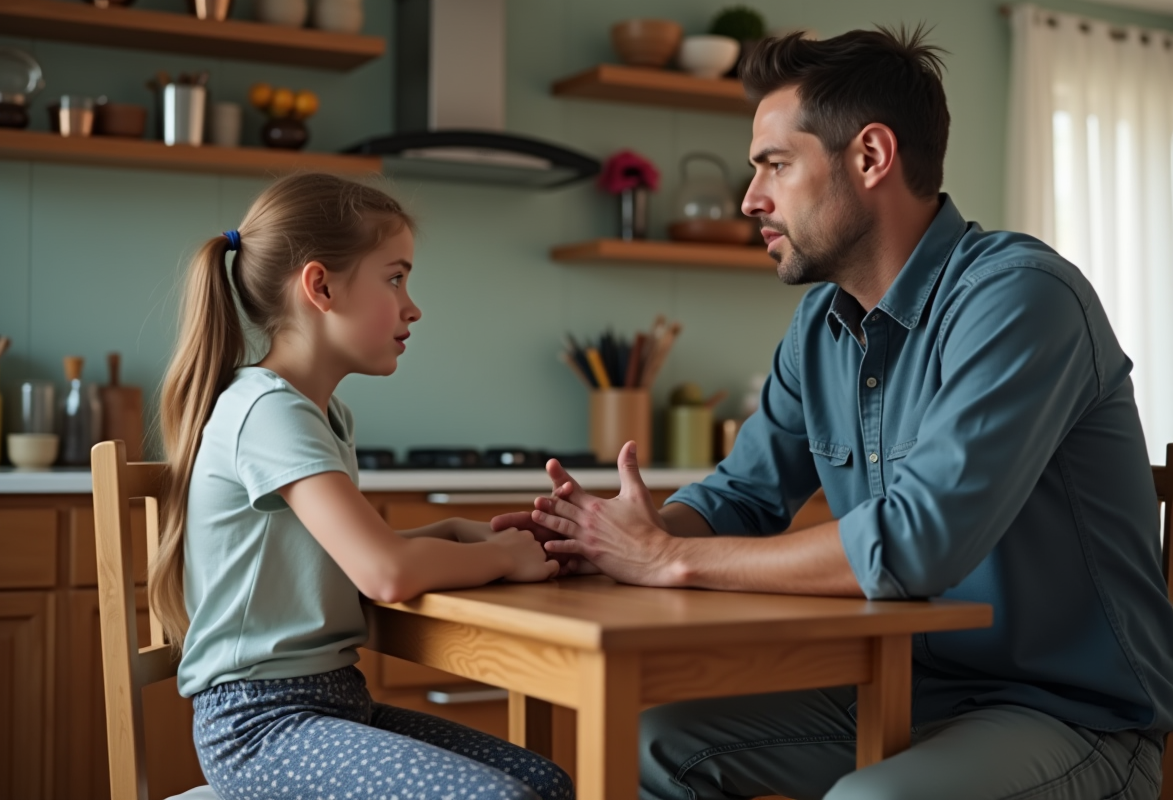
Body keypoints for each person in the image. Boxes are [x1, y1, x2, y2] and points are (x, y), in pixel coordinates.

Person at [494, 27, 1173, 800]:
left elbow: (915, 542)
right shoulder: (819, 328)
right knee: (651, 743)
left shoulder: (1021, 298)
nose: (751, 198)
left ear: (871, 156)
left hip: (1070, 715)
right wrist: (617, 538)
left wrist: (667, 559)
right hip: (901, 686)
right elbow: (741, 498)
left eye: (776, 165)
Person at [150, 172, 571, 800]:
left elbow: (336, 561)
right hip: (260, 726)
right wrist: (501, 558)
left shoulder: (321, 414)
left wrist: (454, 533)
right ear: (320, 286)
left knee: (546, 783)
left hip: (333, 703)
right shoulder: (268, 411)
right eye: (395, 278)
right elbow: (384, 575)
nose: (412, 306)